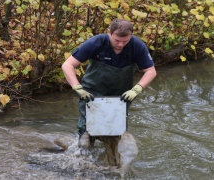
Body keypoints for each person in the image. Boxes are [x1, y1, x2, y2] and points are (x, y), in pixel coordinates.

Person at [61, 18, 157, 147]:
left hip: (121, 95)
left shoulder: (137, 45)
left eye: (125, 41)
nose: (120, 45)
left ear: (131, 36)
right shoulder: (96, 43)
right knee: (87, 130)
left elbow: (151, 71)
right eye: (117, 40)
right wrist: (77, 87)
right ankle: (84, 157)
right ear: (109, 33)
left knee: (117, 130)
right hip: (91, 92)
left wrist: (137, 89)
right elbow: (67, 65)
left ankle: (113, 162)